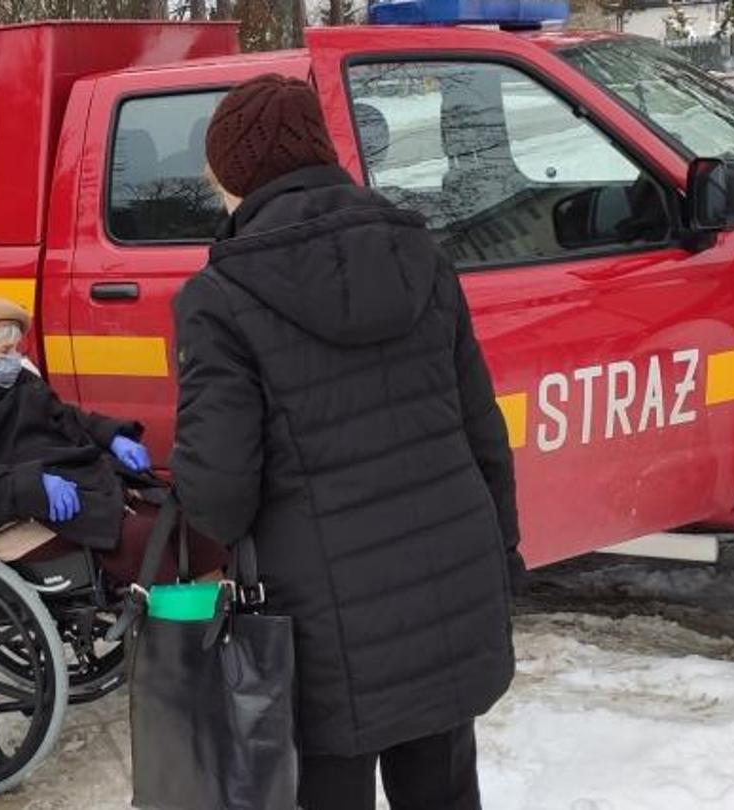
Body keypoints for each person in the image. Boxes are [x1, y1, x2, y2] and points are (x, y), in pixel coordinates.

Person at [170, 74, 524, 810]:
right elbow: (479, 426)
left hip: (320, 624)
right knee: (445, 789)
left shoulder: (219, 297)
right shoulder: (418, 253)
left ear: (236, 174)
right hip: (448, 586)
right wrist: (501, 553)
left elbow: (220, 496)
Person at [0, 297, 226, 585]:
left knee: (180, 516)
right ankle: (175, 643)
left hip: (69, 487)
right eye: (5, 351)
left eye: (16, 349)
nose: (15, 359)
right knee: (145, 539)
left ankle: (218, 625)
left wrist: (111, 437)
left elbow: (65, 417)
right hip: (7, 517)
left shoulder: (17, 382)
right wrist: (27, 486)